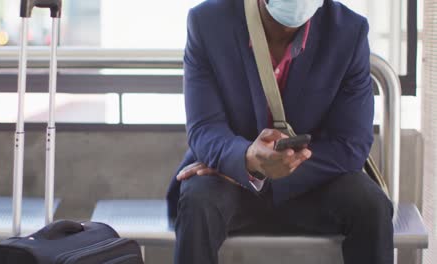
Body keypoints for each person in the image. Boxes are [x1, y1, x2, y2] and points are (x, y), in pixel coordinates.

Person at [166, 0, 394, 263]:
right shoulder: (208, 22)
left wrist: (269, 170)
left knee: (370, 205)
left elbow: (351, 143)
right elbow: (204, 128)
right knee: (198, 200)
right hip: (233, 181)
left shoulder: (349, 32)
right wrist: (245, 162)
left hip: (313, 182)